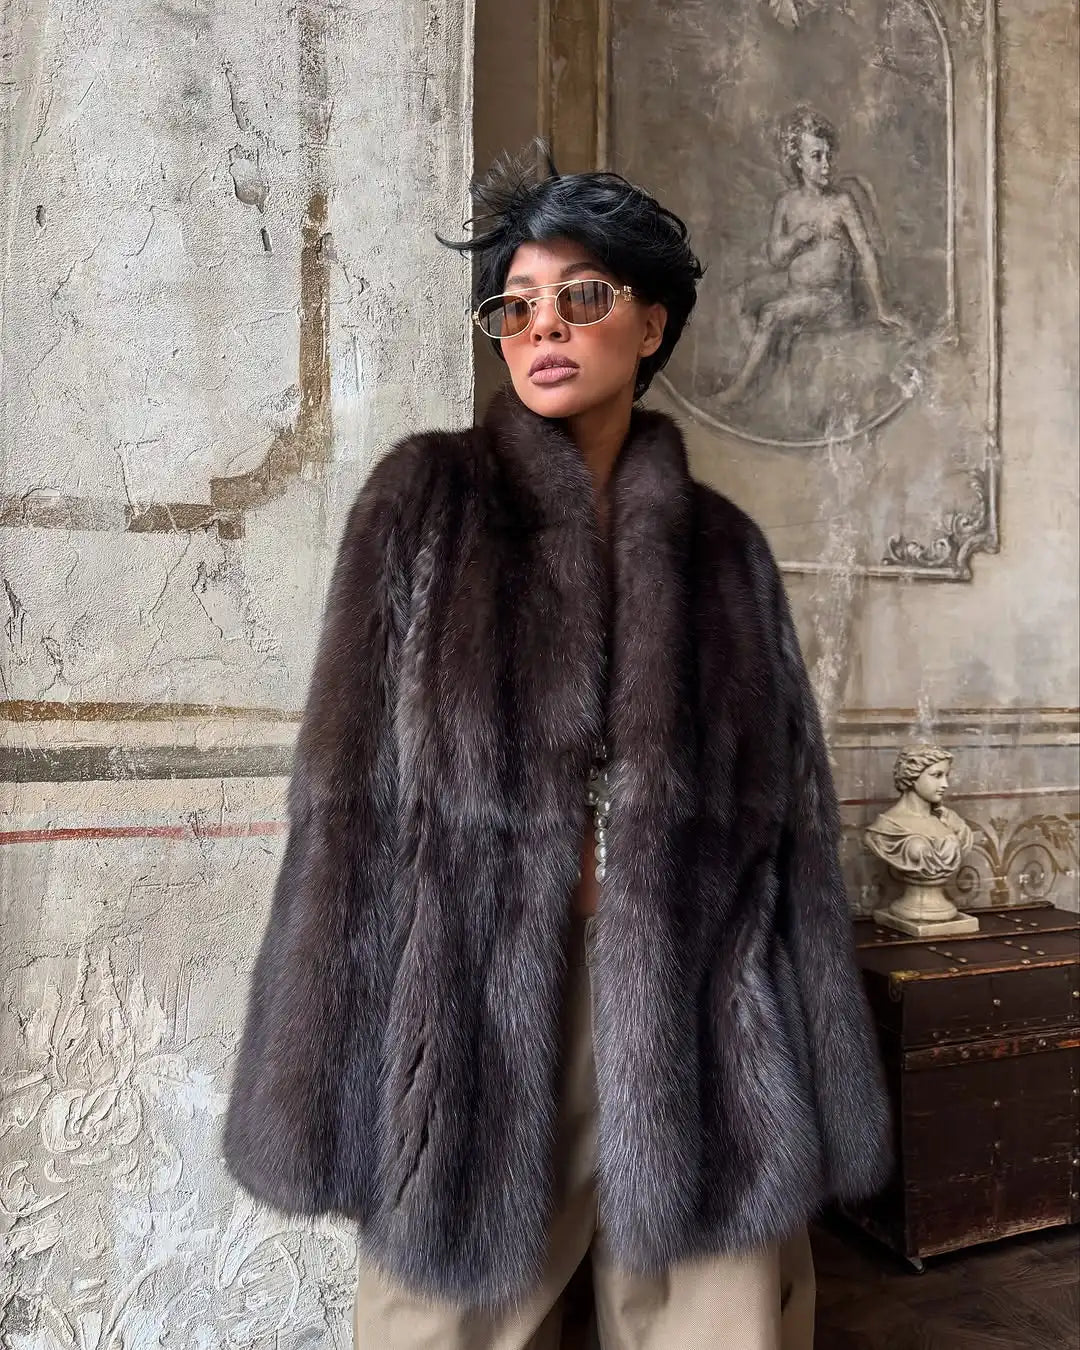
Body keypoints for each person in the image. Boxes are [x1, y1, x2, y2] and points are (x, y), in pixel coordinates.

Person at [221, 144, 891, 1349]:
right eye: (516, 304)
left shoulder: (724, 552)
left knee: (726, 1329)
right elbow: (345, 807)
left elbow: (791, 828)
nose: (544, 326)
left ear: (652, 322)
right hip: (475, 1015)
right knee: (438, 1329)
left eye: (583, 295)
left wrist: (815, 1063)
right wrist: (327, 1079)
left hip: (698, 1020)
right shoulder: (424, 506)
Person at [715, 107, 903, 405]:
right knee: (737, 298)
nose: (826, 165)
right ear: (799, 162)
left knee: (771, 314)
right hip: (796, 289)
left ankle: (738, 391)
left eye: (828, 155)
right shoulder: (786, 203)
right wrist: (796, 239)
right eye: (817, 156)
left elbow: (867, 253)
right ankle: (766, 372)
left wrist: (882, 308)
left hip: (830, 298)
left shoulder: (841, 203)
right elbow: (776, 257)